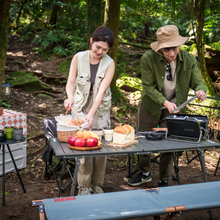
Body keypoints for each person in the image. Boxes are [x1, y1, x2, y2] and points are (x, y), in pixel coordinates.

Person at [128, 25, 207, 187]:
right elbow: (148, 87)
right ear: (159, 49)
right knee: (143, 138)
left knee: (169, 141)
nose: (171, 53)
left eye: (175, 48)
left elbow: (198, 81)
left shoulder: (189, 59)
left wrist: (200, 90)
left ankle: (164, 178)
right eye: (166, 50)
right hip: (151, 105)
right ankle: (144, 173)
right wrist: (164, 102)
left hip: (175, 108)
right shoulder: (148, 58)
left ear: (180, 46)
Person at [64, 25, 115, 195]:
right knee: (82, 145)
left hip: (100, 108)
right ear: (91, 41)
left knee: (99, 146)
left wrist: (91, 114)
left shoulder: (110, 64)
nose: (100, 51)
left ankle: (97, 184)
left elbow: (101, 92)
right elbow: (70, 82)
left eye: (105, 50)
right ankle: (84, 186)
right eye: (97, 47)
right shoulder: (78, 57)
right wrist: (70, 97)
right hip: (79, 105)